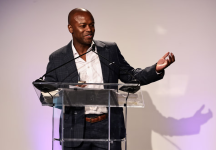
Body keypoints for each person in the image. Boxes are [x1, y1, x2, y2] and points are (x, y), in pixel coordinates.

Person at [44, 8, 175, 150]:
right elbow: (46, 94)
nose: (89, 29)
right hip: (74, 129)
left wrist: (156, 69)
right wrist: (69, 92)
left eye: (92, 25)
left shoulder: (109, 50)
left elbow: (131, 76)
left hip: (108, 127)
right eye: (83, 26)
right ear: (71, 28)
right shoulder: (58, 58)